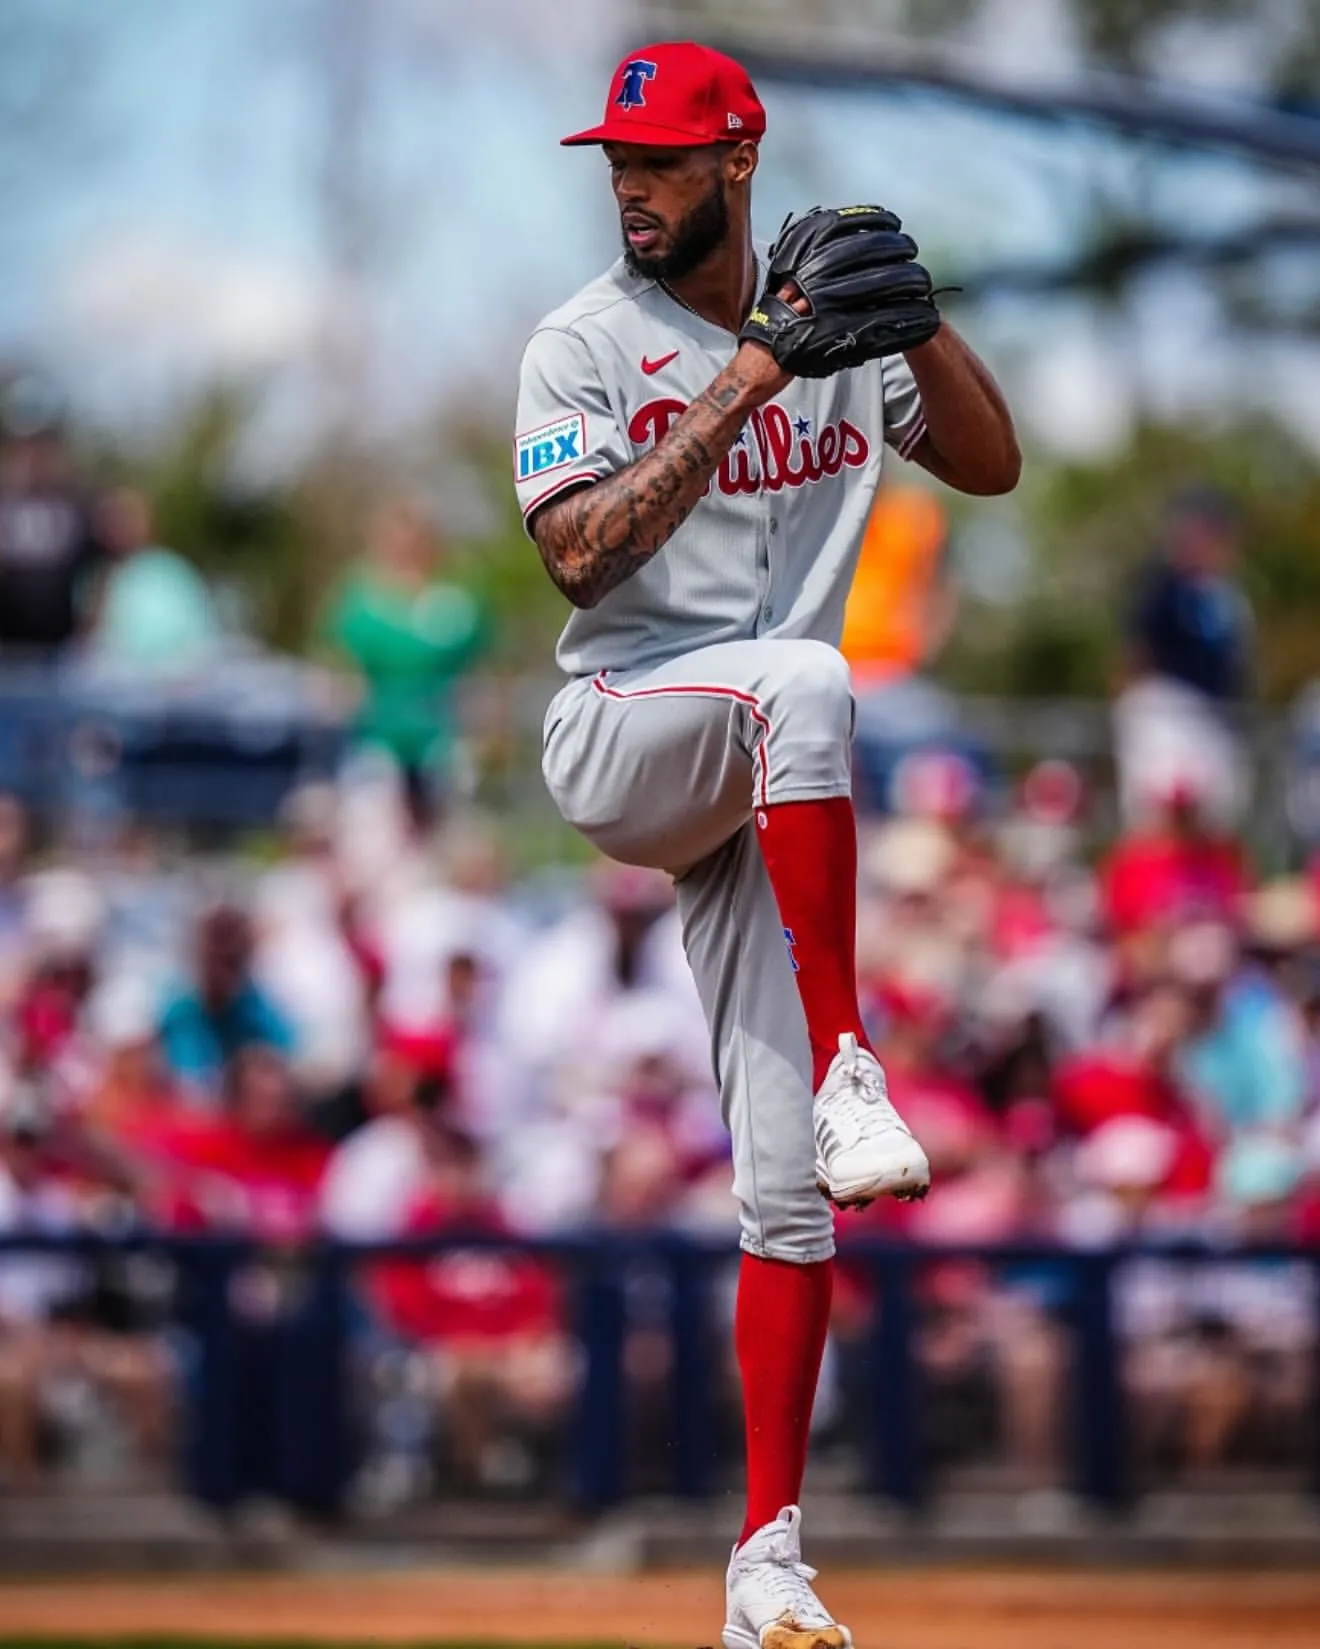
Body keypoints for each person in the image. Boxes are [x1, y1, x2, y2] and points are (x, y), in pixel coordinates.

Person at [514, 41, 1019, 1646]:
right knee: (806, 676)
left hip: (766, 783)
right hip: (629, 732)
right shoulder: (582, 345)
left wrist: (917, 321)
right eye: (618, 158)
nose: (630, 183)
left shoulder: (835, 321)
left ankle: (766, 1562)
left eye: (661, 157)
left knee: (788, 1190)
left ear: (740, 158)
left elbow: (994, 464)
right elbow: (583, 563)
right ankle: (854, 1053)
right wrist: (749, 373)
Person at [322, 498, 489, 828]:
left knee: (444, 839)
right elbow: (337, 671)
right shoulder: (360, 602)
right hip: (375, 741)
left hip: (439, 740)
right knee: (375, 835)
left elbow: (479, 674)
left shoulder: (453, 602)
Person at [1114, 485, 1253, 831]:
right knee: (1159, 809)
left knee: (1216, 813)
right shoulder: (1163, 589)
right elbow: (1136, 651)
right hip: (1167, 708)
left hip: (1215, 714)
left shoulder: (1225, 595)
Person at [0, 378, 107, 655]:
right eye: (26, 444)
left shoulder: (78, 504)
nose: (33, 454)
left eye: (42, 443)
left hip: (60, 655)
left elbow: (98, 572)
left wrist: (88, 631)